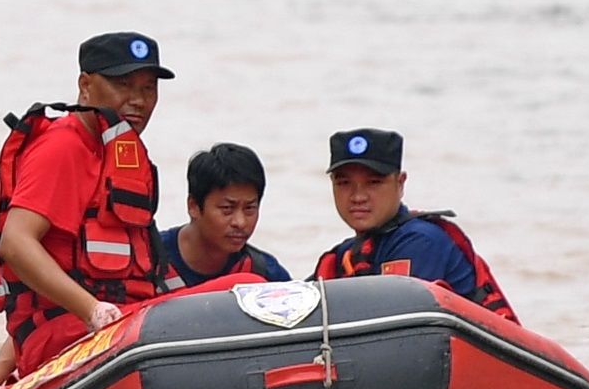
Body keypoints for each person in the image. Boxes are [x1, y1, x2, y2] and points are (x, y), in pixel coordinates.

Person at [0, 32, 179, 381]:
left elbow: (64, 270)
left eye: (148, 89)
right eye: (123, 85)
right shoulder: (64, 146)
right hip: (77, 335)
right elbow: (15, 243)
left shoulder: (118, 155)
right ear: (85, 86)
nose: (138, 100)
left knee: (243, 283)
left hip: (118, 325)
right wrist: (95, 312)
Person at [310, 128, 516, 317]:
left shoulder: (420, 241)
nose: (358, 196)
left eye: (373, 183)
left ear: (400, 183)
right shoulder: (344, 255)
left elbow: (393, 325)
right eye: (344, 183)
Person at [159, 144, 293, 286]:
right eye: (227, 209)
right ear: (194, 206)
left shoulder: (266, 274)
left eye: (249, 209)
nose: (240, 222)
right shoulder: (147, 262)